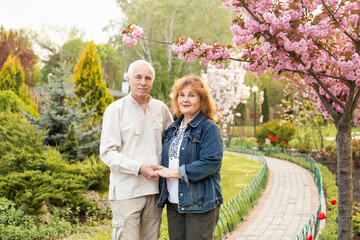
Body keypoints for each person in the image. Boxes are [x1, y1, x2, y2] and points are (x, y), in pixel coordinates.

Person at [99, 60, 173, 240]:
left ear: (152, 81)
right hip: (126, 192)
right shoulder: (115, 109)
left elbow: (173, 143)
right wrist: (139, 168)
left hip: (154, 191)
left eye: (148, 78)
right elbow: (108, 152)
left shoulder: (161, 109)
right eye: (138, 77)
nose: (143, 82)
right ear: (128, 79)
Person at [156, 75, 223, 240]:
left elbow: (211, 163)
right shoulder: (174, 128)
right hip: (174, 203)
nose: (185, 99)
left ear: (202, 100)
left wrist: (172, 173)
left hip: (199, 204)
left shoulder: (208, 127)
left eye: (191, 95)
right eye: (181, 95)